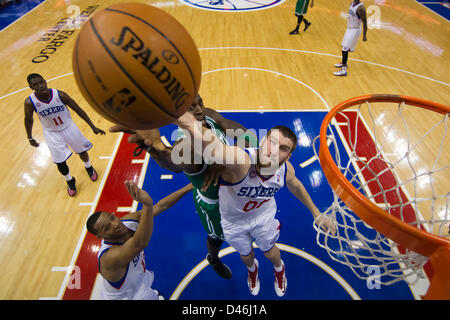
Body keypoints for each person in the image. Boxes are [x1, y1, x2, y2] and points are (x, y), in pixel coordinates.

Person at [176, 111, 336, 297]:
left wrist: (316, 212)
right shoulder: (242, 162)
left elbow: (296, 186)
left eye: (283, 148)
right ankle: (252, 270)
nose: (274, 151)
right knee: (246, 255)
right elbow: (216, 150)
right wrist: (186, 120)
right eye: (272, 142)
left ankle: (279, 269)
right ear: (262, 142)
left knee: (271, 252)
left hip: (262, 219)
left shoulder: (285, 170)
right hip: (233, 223)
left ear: (288, 156)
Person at [110, 94, 258, 280]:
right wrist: (155, 150)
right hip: (216, 206)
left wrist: (226, 158)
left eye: (200, 103)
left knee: (248, 229)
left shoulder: (208, 116)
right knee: (215, 237)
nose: (198, 110)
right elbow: (174, 162)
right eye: (191, 108)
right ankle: (213, 258)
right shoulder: (185, 143)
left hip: (239, 194)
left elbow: (248, 135)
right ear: (179, 114)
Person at [86, 181, 193, 300]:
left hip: (136, 281)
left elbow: (160, 206)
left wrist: (188, 187)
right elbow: (140, 243)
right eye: (106, 228)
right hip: (126, 297)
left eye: (112, 218)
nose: (115, 224)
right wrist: (147, 204)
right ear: (100, 237)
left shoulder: (128, 221)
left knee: (146, 288)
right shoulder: (109, 258)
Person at [24, 73, 105, 196]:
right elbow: (28, 119)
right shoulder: (30, 102)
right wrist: (30, 137)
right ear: (31, 87)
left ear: (45, 81)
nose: (40, 86)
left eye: (41, 82)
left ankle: (88, 167)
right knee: (60, 161)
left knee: (82, 151)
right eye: (35, 84)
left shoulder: (60, 95)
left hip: (68, 127)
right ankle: (69, 180)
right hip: (51, 133)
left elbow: (77, 109)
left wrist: (93, 126)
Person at [333, 0, 368, 76]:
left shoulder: (361, 8)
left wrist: (364, 35)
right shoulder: (351, 3)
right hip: (349, 28)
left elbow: (365, 22)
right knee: (343, 46)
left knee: (345, 48)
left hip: (355, 29)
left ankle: (343, 70)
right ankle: (343, 62)